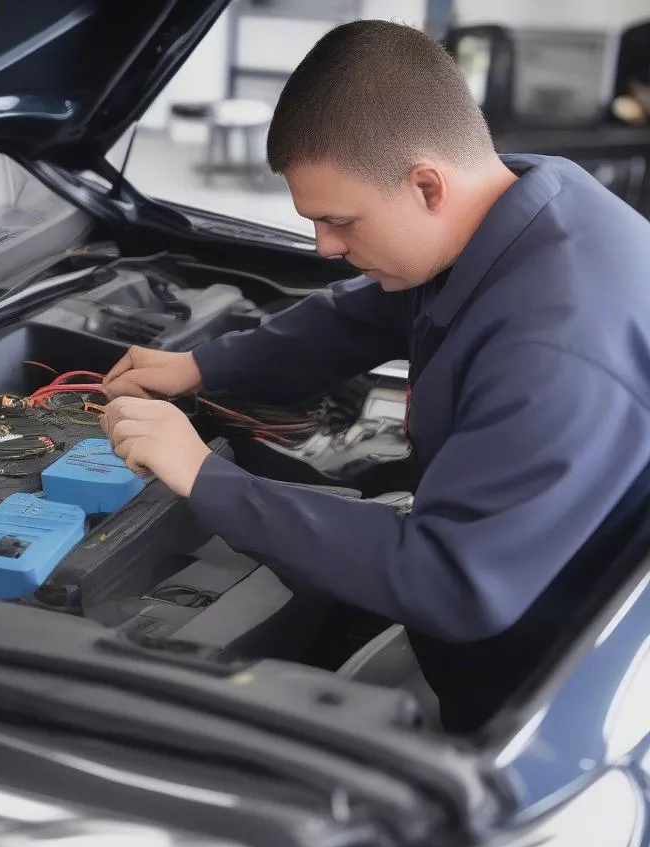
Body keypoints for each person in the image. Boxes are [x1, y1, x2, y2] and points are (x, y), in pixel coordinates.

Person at [99, 19, 650, 735]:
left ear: (426, 183)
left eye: (340, 220)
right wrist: (204, 366)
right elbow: (365, 314)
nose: (327, 248)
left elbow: (452, 582)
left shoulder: (557, 351)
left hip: (532, 683)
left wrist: (206, 477)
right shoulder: (529, 202)